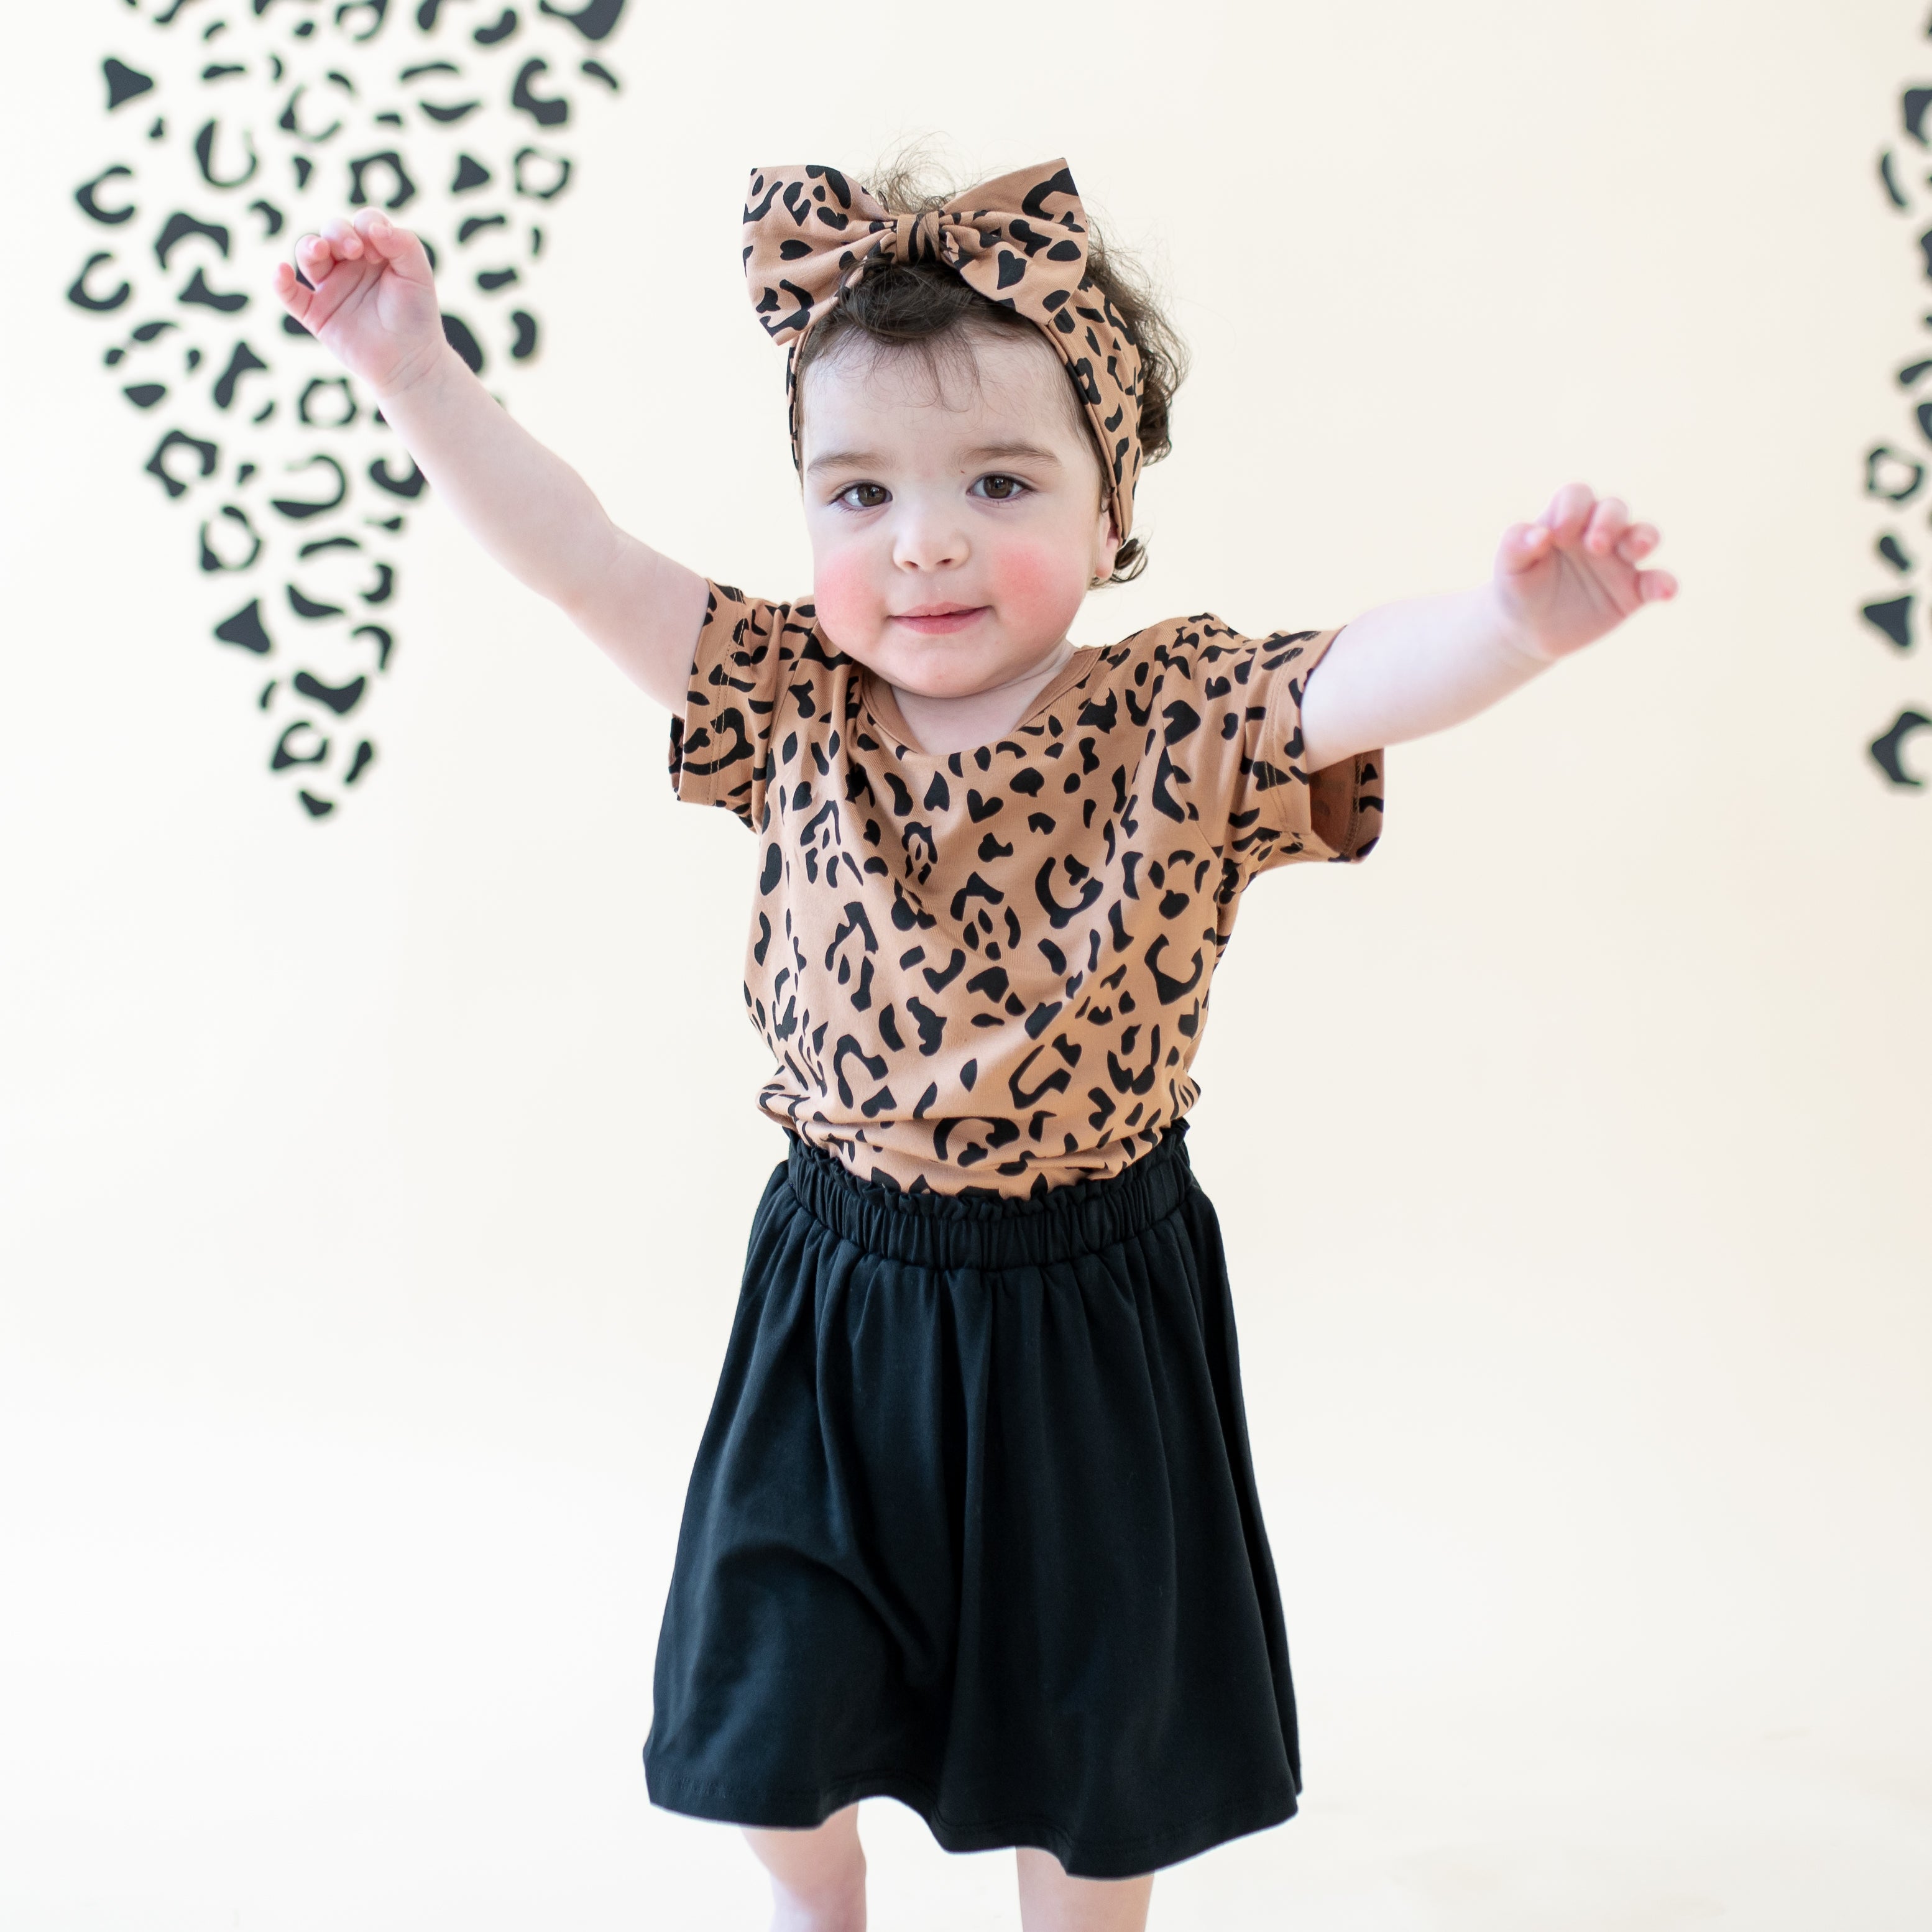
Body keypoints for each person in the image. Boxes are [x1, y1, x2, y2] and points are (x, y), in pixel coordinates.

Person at [274, 157, 1676, 1932]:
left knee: (1093, 1729)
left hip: (1085, 1296)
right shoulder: (782, 699)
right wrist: (416, 369)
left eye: (994, 482)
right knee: (768, 1684)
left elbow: (1352, 682)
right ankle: (816, 1902)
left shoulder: (1178, 711)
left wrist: (1510, 626)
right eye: (857, 491)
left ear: (1111, 514)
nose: (919, 537)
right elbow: (580, 559)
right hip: (840, 1284)